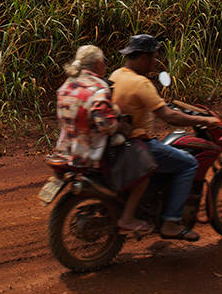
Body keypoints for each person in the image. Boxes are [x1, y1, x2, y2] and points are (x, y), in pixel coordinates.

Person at [109, 34, 221, 241]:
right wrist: (204, 121)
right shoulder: (141, 83)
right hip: (138, 144)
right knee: (189, 164)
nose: (154, 63)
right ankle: (171, 221)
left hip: (120, 142)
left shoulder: (117, 75)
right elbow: (169, 117)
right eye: (153, 57)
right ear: (144, 57)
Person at [53, 44, 151, 233]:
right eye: (104, 62)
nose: (105, 65)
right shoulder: (98, 87)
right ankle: (128, 218)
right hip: (91, 152)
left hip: (67, 149)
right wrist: (120, 126)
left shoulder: (67, 84)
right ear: (98, 64)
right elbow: (104, 124)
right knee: (145, 166)